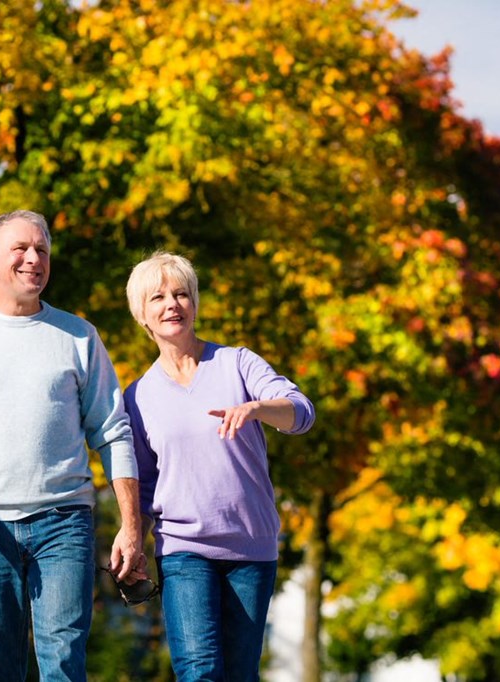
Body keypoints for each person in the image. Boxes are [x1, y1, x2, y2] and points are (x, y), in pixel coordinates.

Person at [0, 210, 147, 682]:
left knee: (62, 663)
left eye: (42, 250)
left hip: (64, 524)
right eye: (21, 249)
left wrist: (131, 527)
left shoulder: (80, 337)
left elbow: (114, 432)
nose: (34, 259)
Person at [123, 252, 315, 681]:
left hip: (251, 548)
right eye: (158, 297)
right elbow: (143, 485)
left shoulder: (237, 364)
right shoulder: (137, 398)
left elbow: (302, 413)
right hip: (183, 548)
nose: (172, 304)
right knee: (200, 672)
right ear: (143, 315)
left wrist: (259, 408)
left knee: (241, 674)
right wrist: (131, 537)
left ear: (194, 303)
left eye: (181, 294)